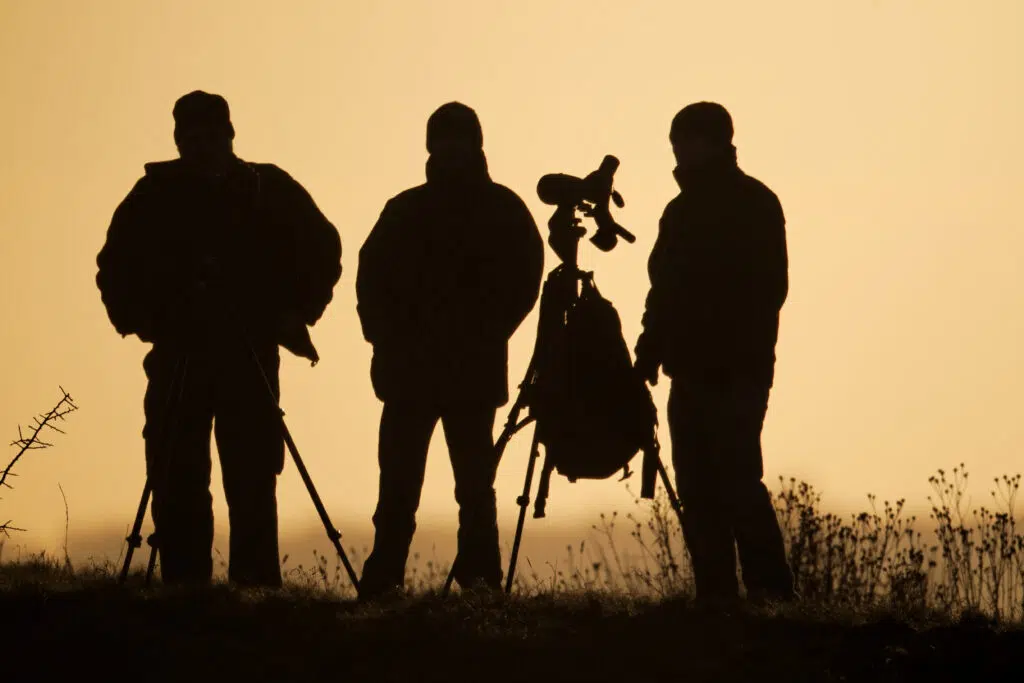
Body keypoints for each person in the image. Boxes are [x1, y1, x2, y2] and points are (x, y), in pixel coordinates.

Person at [96, 90, 342, 587]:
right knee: (176, 472)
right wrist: (152, 320)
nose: (203, 146)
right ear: (179, 142)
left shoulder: (266, 189)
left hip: (247, 351)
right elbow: (115, 269)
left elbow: (323, 249)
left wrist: (291, 313)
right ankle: (187, 588)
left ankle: (255, 590)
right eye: (192, 138)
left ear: (230, 135)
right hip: (179, 349)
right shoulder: (155, 196)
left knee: (252, 476)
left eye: (211, 136)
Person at [356, 101, 544, 598]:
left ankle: (480, 582)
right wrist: (384, 337)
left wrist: (487, 332)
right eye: (444, 141)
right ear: (431, 147)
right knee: (398, 487)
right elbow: (370, 280)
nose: (453, 150)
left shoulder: (502, 210)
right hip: (410, 374)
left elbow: (525, 283)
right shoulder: (405, 210)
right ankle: (385, 581)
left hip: (468, 374)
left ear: (477, 146)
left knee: (475, 490)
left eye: (461, 140)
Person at [634, 101, 796, 606]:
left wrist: (709, 330)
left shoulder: (754, 204)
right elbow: (662, 290)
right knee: (699, 488)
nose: (679, 151)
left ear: (713, 142)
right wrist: (650, 347)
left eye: (686, 140)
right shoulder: (680, 212)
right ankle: (716, 598)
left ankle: (770, 595)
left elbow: (770, 288)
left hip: (738, 371)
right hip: (691, 371)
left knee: (738, 482)